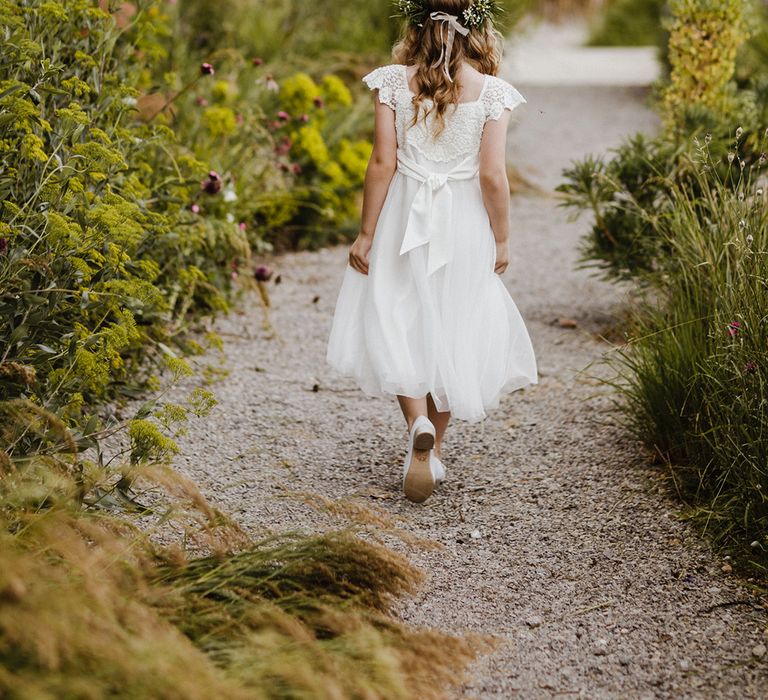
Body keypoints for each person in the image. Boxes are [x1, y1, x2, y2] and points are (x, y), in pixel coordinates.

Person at [326, 0, 538, 504]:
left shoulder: (393, 83)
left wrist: (366, 233)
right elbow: (492, 176)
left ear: (414, 28)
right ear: (479, 31)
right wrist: (502, 237)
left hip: (405, 217)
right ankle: (434, 448)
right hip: (462, 220)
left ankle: (417, 422)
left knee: (399, 316)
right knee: (453, 323)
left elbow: (381, 161)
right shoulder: (493, 94)